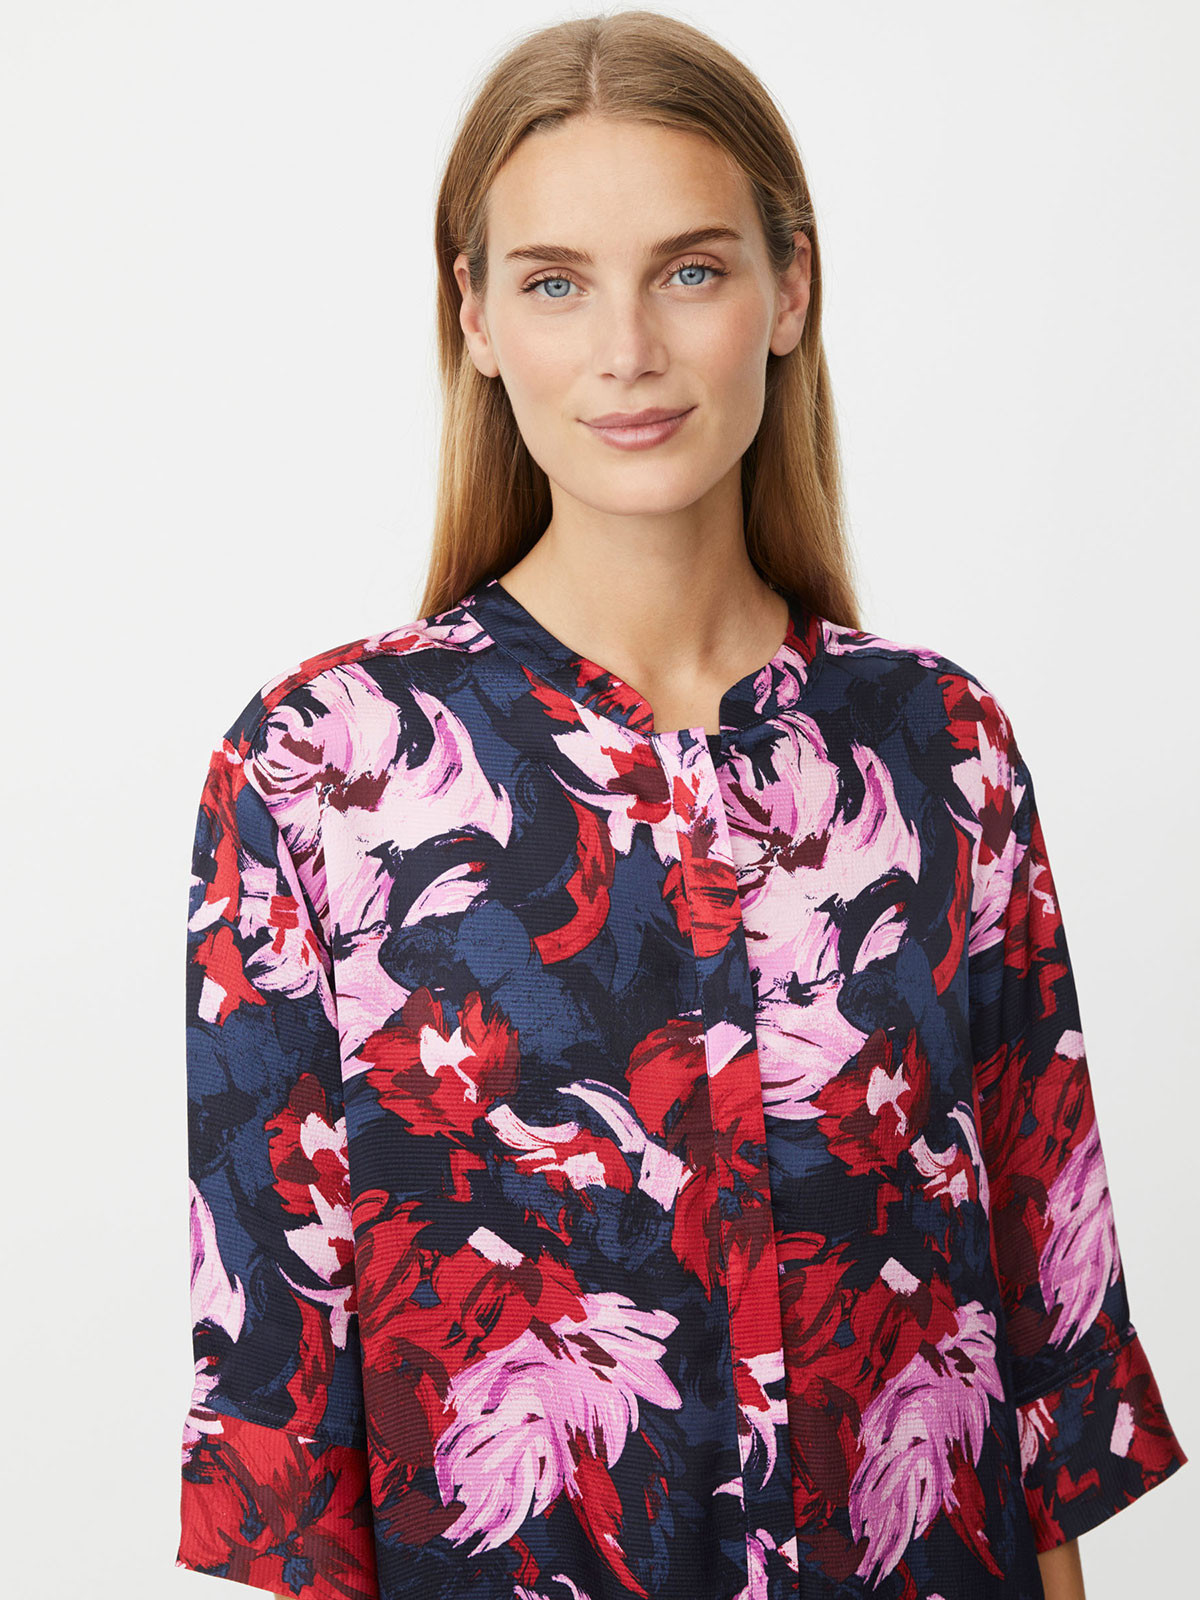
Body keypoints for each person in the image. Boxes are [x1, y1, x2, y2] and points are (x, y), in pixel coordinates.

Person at [174, 12, 1186, 1600]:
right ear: (476, 316)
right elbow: (279, 1444)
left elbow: (1042, 1361)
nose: (627, 349)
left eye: (692, 270)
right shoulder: (319, 771)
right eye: (555, 282)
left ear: (791, 291)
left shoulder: (942, 753)